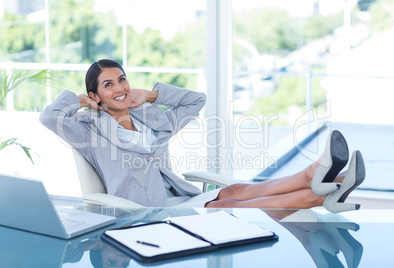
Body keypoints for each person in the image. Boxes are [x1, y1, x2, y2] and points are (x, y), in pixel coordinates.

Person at [40, 59, 365, 213]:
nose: (120, 87)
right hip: (143, 211)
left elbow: (197, 100)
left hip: (176, 196)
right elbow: (48, 117)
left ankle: (317, 175)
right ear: (95, 93)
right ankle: (327, 191)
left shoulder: (149, 117)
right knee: (229, 201)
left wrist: (151, 96)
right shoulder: (88, 130)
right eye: (108, 84)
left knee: (233, 190)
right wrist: (82, 102)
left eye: (122, 79)